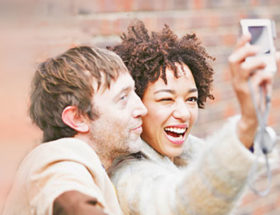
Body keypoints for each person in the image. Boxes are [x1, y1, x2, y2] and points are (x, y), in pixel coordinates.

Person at [108, 20, 277, 215]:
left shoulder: (190, 153)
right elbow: (179, 205)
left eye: (191, 99)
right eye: (166, 99)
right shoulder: (128, 177)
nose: (184, 113)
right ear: (136, 106)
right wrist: (247, 123)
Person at [3, 46, 147, 215]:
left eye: (134, 92)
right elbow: (68, 197)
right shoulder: (56, 157)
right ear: (77, 118)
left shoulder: (90, 165)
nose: (142, 109)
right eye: (123, 98)